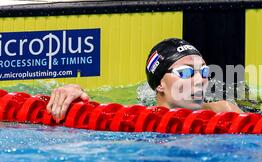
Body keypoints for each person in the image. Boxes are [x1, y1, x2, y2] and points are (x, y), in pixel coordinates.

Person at [46, 38, 242, 121]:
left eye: (204, 72)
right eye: (186, 73)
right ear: (159, 85)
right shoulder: (136, 117)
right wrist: (72, 90)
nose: (200, 80)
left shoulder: (225, 110)